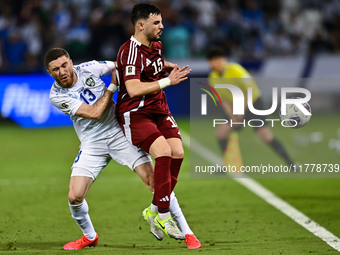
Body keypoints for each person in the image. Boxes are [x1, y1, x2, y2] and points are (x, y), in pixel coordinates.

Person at [46, 48, 199, 250]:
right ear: (50, 73)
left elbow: (124, 65)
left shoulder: (89, 68)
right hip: (92, 143)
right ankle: (89, 236)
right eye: (55, 69)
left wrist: (162, 65)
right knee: (74, 196)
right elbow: (94, 113)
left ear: (71, 62)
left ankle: (188, 232)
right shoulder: (56, 96)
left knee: (156, 181)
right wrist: (113, 86)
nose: (62, 71)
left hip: (120, 133)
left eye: (64, 65)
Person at [115, 3, 200, 248]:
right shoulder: (129, 51)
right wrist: (167, 81)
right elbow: (132, 88)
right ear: (140, 25)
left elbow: (152, 65)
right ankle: (163, 216)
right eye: (156, 23)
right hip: (136, 113)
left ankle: (153, 209)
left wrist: (166, 66)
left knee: (178, 153)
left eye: (161, 22)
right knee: (162, 152)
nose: (162, 26)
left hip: (158, 110)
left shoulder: (156, 46)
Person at [207, 46, 296, 167]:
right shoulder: (212, 77)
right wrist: (232, 116)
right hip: (236, 107)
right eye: (212, 60)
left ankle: (290, 163)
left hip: (254, 104)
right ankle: (227, 164)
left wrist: (241, 113)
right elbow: (223, 99)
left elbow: (249, 90)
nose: (215, 63)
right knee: (221, 133)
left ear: (224, 59)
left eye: (217, 59)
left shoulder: (236, 70)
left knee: (266, 136)